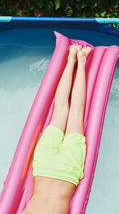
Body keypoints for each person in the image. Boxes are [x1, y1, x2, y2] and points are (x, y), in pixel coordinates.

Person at [22, 44, 92, 214]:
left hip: (67, 171)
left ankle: (80, 61)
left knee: (75, 112)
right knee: (61, 110)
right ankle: (72, 59)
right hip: (46, 167)